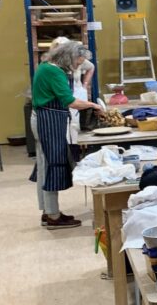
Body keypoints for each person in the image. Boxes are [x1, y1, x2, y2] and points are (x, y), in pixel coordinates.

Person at [30, 41, 103, 229]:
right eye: (77, 62)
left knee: (46, 165)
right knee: (51, 165)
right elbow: (68, 100)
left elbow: (89, 65)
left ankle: (48, 211)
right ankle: (53, 216)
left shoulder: (48, 66)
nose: (79, 66)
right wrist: (93, 105)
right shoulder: (53, 72)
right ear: (68, 57)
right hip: (48, 120)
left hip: (47, 117)